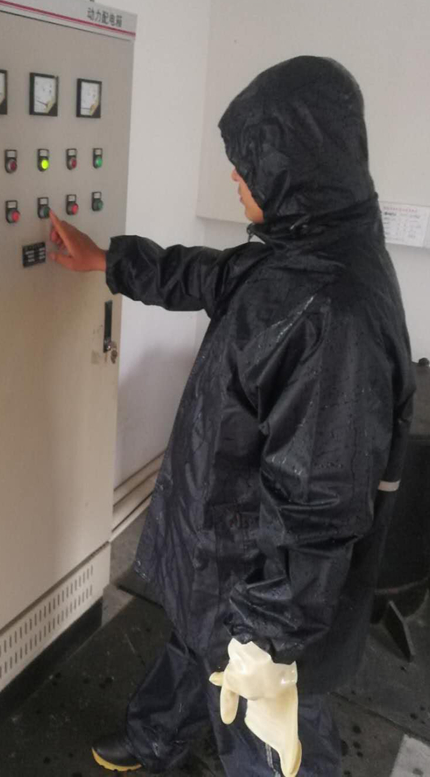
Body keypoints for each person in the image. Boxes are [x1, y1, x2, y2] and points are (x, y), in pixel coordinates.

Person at [48, 56, 415, 776]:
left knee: (269, 736)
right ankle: (157, 737)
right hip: (223, 553)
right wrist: (108, 261)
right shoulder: (303, 252)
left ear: (294, 171)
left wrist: (264, 641)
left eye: (247, 166)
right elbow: (209, 275)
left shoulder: (334, 315)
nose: (235, 180)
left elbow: (319, 511)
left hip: (261, 595)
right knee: (193, 642)